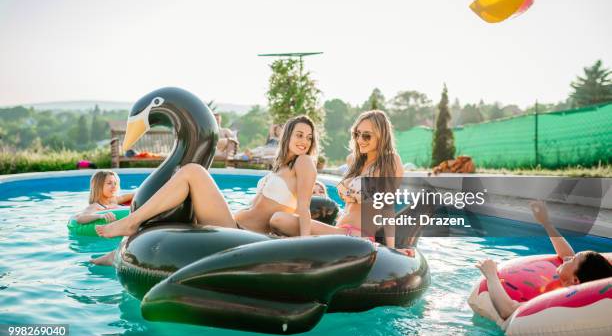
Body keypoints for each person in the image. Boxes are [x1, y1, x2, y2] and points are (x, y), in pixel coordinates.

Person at [95, 115, 318, 239]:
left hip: (243, 234)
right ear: (288, 135)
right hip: (234, 222)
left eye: (309, 137)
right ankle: (120, 247)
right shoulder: (281, 166)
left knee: (193, 172)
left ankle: (131, 222)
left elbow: (304, 208)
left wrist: (305, 242)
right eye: (299, 135)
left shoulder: (304, 162)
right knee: (182, 190)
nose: (304, 141)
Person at [270, 110, 411, 254]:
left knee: (279, 219)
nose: (360, 140)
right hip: (339, 230)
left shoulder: (390, 161)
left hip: (357, 236)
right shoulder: (353, 160)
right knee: (278, 218)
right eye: (357, 134)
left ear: (381, 136)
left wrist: (392, 249)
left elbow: (388, 208)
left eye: (366, 136)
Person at [476, 200, 612, 320]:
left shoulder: (560, 304)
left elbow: (508, 311)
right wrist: (546, 223)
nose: (568, 257)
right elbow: (566, 254)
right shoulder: (577, 289)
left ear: (575, 281)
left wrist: (491, 275)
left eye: (573, 259)